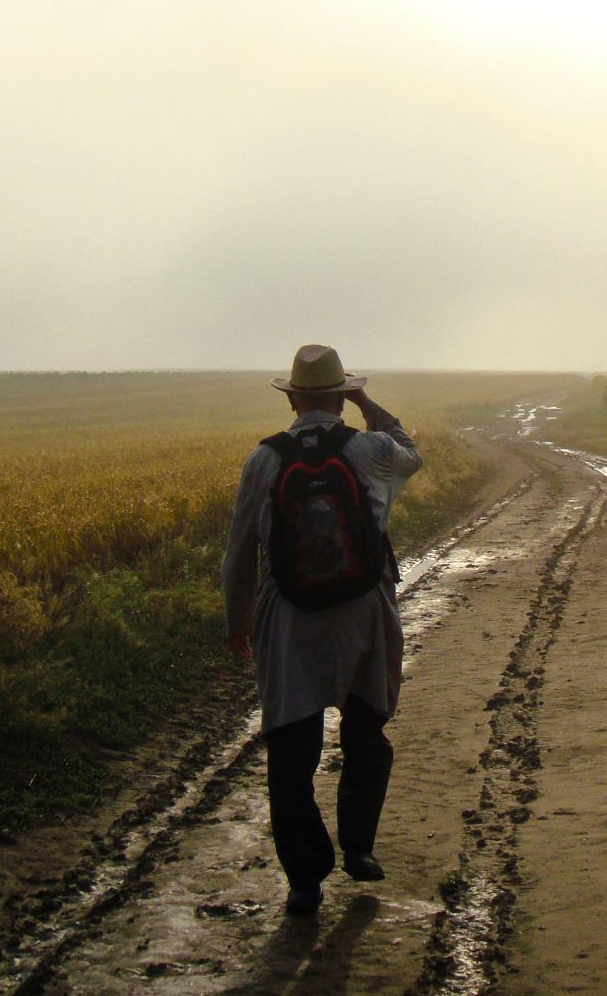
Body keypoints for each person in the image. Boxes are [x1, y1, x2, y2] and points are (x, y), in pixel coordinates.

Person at [221, 344, 423, 915]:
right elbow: (413, 454)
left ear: (292, 397)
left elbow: (239, 552)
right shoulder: (369, 449)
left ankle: (305, 880)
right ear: (340, 395)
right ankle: (358, 847)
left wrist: (238, 623)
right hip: (365, 611)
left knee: (291, 749)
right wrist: (369, 404)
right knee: (366, 731)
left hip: (288, 616)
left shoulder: (264, 459)